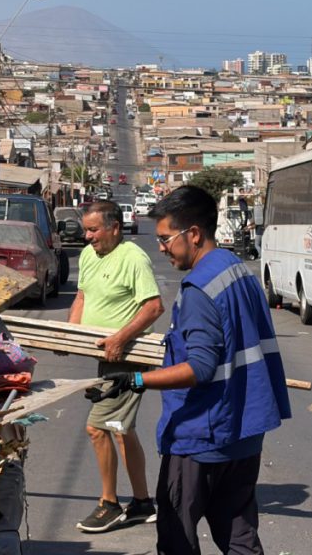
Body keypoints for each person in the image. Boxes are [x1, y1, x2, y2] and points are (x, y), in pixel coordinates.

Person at [86, 186, 292, 554]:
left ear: (193, 234)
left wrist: (134, 379)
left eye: (166, 239)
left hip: (203, 435)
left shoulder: (199, 289)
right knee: (239, 535)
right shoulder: (236, 270)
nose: (161, 247)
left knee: (176, 534)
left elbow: (198, 368)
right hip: (244, 431)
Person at [70, 200, 165, 533]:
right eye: (86, 230)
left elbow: (154, 307)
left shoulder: (133, 258)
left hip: (127, 359)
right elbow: (82, 297)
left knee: (98, 428)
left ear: (114, 227)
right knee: (121, 429)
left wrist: (120, 339)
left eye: (94, 230)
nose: (88, 237)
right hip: (104, 358)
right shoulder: (88, 256)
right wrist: (68, 335)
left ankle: (108, 504)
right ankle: (142, 503)